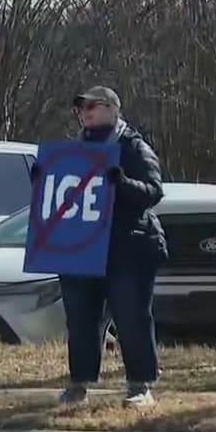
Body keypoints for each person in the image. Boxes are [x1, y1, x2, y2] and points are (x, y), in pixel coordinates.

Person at [54, 87, 166, 407]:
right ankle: (79, 383)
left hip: (127, 248)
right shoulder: (75, 151)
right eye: (81, 108)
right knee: (81, 319)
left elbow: (154, 191)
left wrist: (123, 182)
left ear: (113, 109)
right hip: (82, 248)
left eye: (92, 105)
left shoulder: (131, 146)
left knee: (132, 317)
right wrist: (46, 178)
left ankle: (140, 384)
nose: (85, 111)